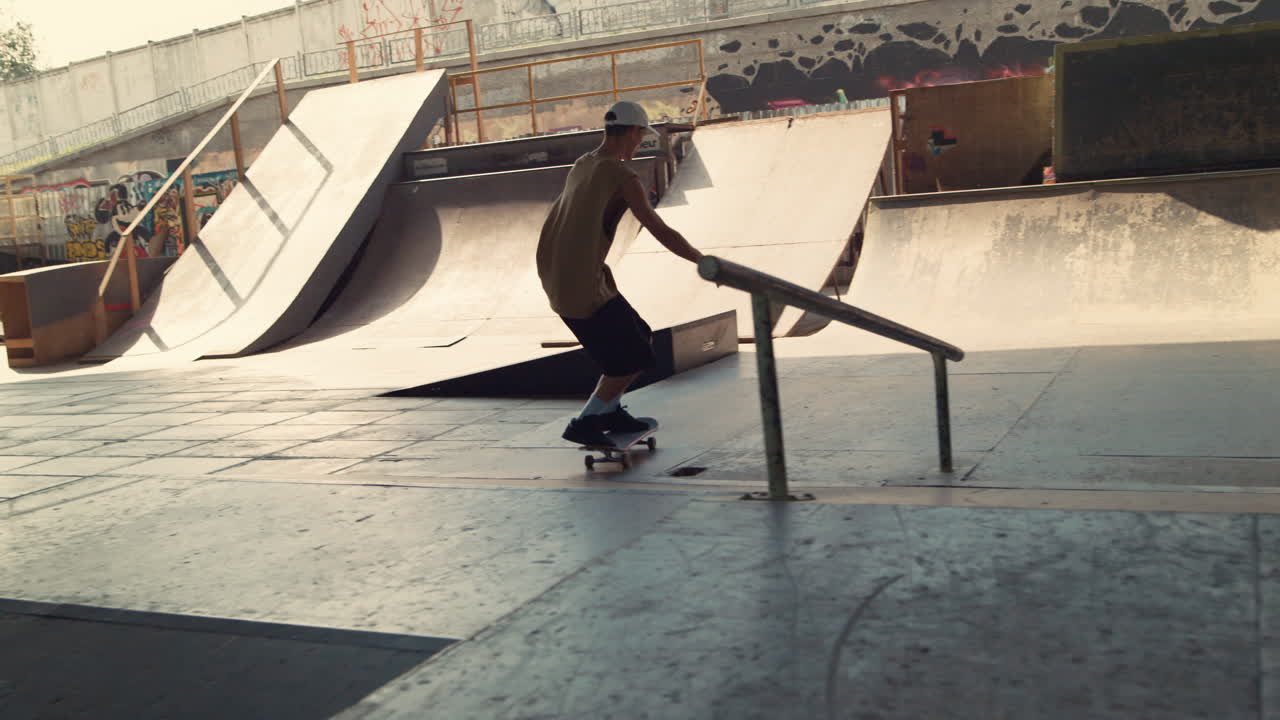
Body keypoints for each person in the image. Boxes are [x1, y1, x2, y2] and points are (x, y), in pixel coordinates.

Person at [536, 100, 703, 447]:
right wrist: (701, 260)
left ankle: (608, 411)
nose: (639, 143)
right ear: (630, 131)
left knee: (639, 335)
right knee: (634, 357)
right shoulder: (623, 177)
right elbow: (660, 230)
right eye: (641, 136)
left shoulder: (583, 164)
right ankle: (586, 421)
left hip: (561, 277)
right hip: (582, 285)